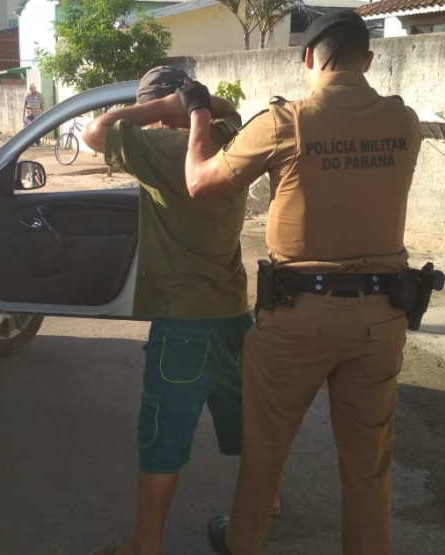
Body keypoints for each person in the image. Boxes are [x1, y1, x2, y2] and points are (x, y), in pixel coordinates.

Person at [179, 11, 424, 555]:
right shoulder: (404, 123)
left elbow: (199, 183)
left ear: (308, 57)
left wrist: (198, 113)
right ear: (367, 59)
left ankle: (244, 544)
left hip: (297, 319)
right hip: (381, 321)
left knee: (265, 451)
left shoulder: (285, 123)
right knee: (368, 468)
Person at [81, 66, 265, 555]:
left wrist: (161, 109)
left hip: (183, 329)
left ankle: (146, 546)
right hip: (233, 319)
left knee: (162, 442)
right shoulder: (231, 141)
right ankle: (266, 509)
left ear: (162, 112)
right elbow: (231, 111)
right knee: (252, 428)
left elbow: (94, 131)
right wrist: (196, 104)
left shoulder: (162, 152)